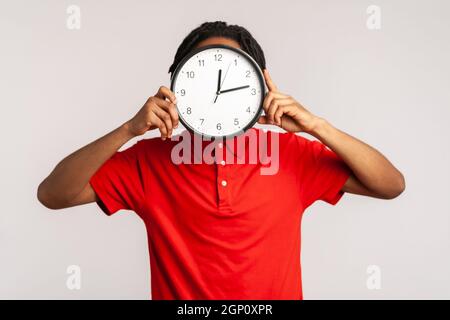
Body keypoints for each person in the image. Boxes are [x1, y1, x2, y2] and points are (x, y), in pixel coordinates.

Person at [37, 21, 405, 299]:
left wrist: (317, 126)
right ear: (178, 88)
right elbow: (53, 194)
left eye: (231, 79)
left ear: (260, 89)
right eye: (201, 78)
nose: (215, 92)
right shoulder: (148, 160)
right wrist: (129, 129)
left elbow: (390, 185)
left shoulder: (292, 155)